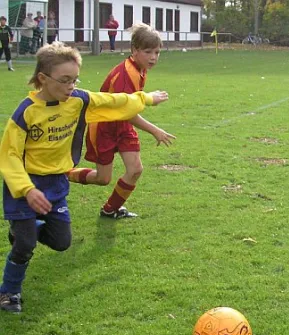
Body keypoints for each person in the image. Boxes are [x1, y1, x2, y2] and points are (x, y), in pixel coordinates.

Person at [0, 42, 169, 313]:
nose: (71, 86)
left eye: (74, 79)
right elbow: (8, 156)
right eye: (64, 80)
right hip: (25, 185)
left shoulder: (78, 101)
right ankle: (9, 293)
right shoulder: (26, 112)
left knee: (62, 242)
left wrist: (146, 98)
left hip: (56, 183)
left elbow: (113, 101)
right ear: (43, 78)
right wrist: (27, 189)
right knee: (25, 245)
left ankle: (25, 230)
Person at [67, 23, 175, 219]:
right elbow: (126, 112)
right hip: (104, 126)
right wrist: (155, 130)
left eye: (157, 52)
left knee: (135, 170)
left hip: (122, 124)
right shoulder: (125, 74)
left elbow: (126, 112)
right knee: (102, 179)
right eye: (148, 51)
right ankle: (63, 174)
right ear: (134, 50)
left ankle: (110, 209)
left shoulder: (140, 68)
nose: (153, 57)